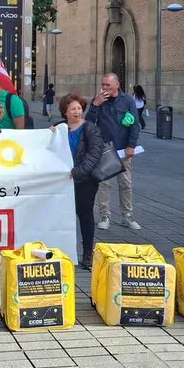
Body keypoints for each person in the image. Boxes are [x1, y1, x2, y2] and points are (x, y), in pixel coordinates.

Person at [85, 72, 142, 231]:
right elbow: (89, 123)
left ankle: (127, 216)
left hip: (123, 150)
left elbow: (135, 125)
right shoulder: (98, 101)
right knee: (104, 184)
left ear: (117, 85)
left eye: (107, 85)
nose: (104, 88)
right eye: (103, 85)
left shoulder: (128, 101)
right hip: (104, 149)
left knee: (126, 184)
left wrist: (131, 145)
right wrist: (95, 106)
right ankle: (105, 216)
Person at [61, 93, 105, 270]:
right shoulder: (60, 128)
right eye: (73, 109)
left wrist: (77, 172)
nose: (77, 112)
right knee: (64, 216)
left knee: (85, 215)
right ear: (65, 111)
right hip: (64, 181)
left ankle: (88, 252)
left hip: (84, 180)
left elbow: (94, 155)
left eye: (79, 108)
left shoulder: (90, 129)